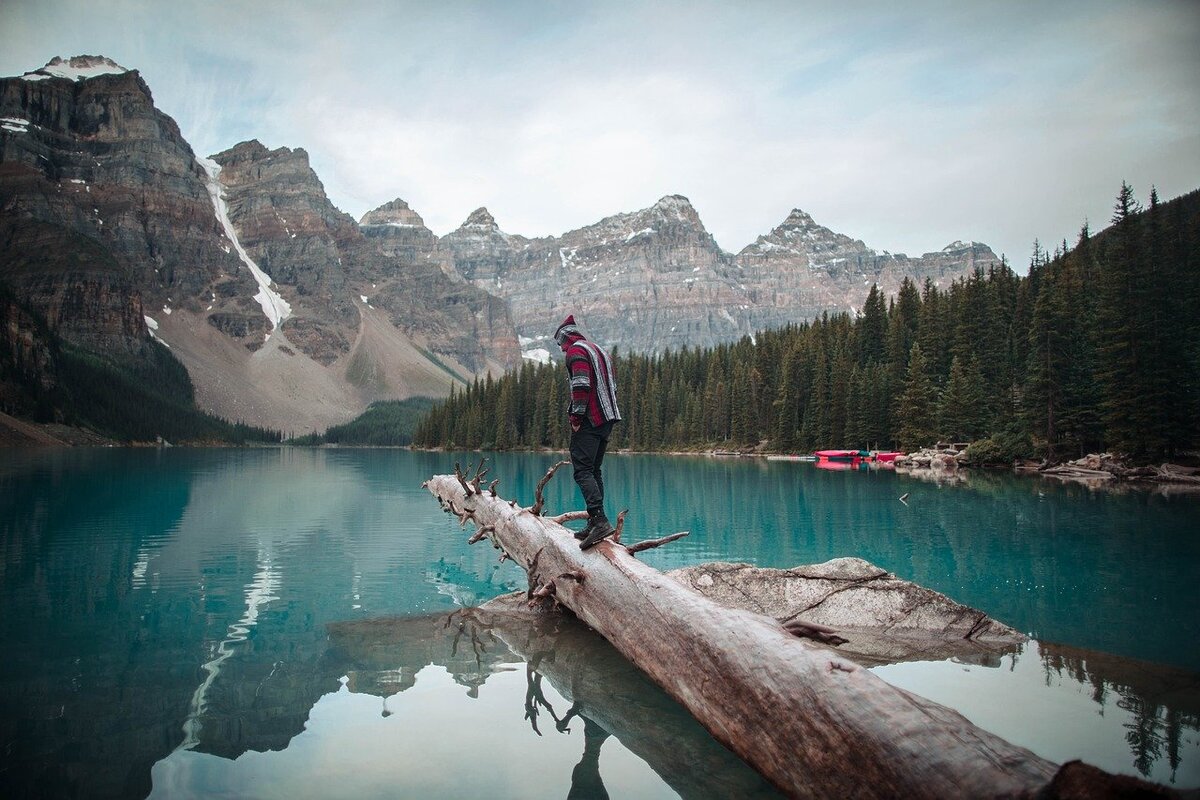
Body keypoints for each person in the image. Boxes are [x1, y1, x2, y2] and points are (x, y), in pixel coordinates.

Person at [554, 314, 621, 550]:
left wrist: (575, 418)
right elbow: (612, 385)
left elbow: (581, 385)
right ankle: (595, 522)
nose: (562, 351)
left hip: (591, 419)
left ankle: (600, 520)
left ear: (566, 339)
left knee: (582, 470)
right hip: (608, 417)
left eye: (561, 345)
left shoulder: (576, 352)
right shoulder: (599, 350)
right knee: (594, 470)